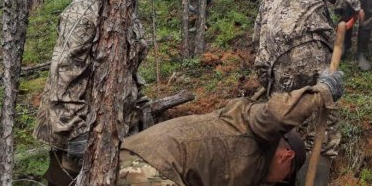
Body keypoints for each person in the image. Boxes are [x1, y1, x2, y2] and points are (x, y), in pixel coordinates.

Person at [34, 0, 156, 186]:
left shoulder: (124, 9)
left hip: (114, 125)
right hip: (78, 127)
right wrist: (76, 134)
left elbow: (127, 68)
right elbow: (63, 73)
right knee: (65, 179)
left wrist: (140, 105)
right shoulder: (83, 12)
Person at [117, 70, 345, 185]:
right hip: (146, 168)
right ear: (286, 157)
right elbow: (277, 114)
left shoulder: (239, 151)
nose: (277, 183)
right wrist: (321, 93)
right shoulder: (253, 126)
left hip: (125, 157)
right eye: (285, 179)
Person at [253, 0, 362, 185]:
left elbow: (257, 36)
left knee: (281, 124)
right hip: (308, 49)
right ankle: (313, 178)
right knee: (323, 119)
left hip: (270, 61)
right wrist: (354, 11)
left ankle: (276, 176)